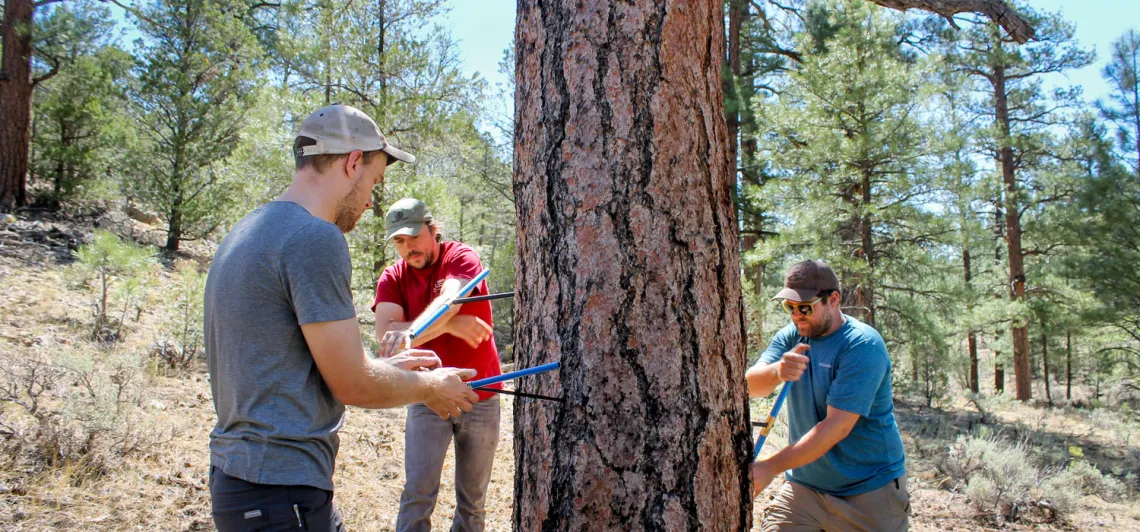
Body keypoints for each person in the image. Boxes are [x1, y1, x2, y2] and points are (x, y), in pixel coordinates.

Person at [204, 104, 479, 532]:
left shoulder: (248, 230)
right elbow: (352, 384)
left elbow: (287, 362)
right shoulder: (315, 237)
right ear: (353, 162)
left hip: (242, 480)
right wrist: (430, 387)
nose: (370, 201)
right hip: (280, 489)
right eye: (373, 181)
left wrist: (386, 366)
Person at [747, 260, 909, 532]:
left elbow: (837, 427)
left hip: (869, 491)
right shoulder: (792, 336)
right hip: (805, 488)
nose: (797, 315)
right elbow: (750, 388)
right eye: (790, 307)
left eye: (805, 307)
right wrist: (778, 371)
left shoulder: (862, 345)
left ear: (832, 300)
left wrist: (770, 467)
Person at [372, 198, 503, 532]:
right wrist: (447, 323)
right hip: (427, 395)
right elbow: (386, 336)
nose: (408, 247)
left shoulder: (461, 257)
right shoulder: (392, 277)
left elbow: (450, 300)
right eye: (399, 241)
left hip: (480, 395)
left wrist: (427, 324)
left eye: (414, 236)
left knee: (472, 503)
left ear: (433, 229)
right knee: (417, 494)